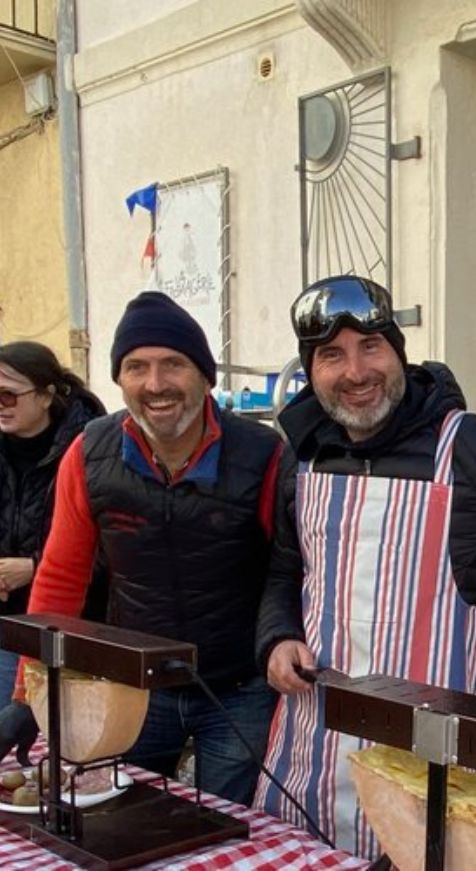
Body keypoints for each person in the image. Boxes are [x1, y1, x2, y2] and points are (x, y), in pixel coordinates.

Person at [254, 275, 476, 857]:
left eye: (371, 347)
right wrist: (276, 638)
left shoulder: (473, 452)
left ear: (399, 353)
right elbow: (285, 570)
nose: (356, 372)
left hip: (432, 756)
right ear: (310, 370)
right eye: (331, 355)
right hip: (315, 745)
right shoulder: (303, 454)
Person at [13, 292, 284, 805]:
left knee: (226, 825)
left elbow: (287, 570)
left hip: (237, 687)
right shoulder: (89, 452)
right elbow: (62, 576)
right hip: (132, 685)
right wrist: (31, 693)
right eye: (136, 367)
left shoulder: (264, 453)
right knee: (119, 817)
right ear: (119, 380)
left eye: (173, 364)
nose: (155, 384)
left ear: (205, 376)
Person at [0, 342, 106, 703]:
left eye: (8, 396)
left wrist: (32, 566)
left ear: (45, 396)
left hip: (71, 629)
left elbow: (111, 546)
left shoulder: (91, 450)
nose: (1, 406)